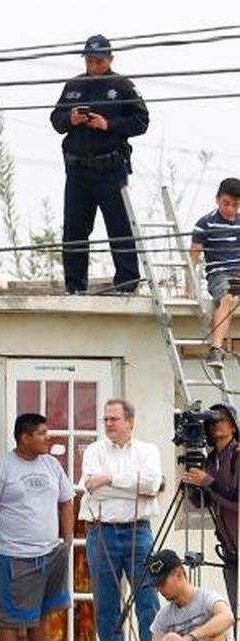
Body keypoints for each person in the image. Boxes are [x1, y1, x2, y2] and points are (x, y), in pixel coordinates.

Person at [50, 34, 149, 295]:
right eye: (89, 60)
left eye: (98, 60)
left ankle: (127, 284)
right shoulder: (74, 86)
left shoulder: (123, 86)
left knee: (119, 227)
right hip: (78, 169)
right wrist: (71, 119)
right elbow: (56, 120)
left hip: (110, 168)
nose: (93, 65)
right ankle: (74, 286)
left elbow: (141, 122)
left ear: (110, 59)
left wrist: (109, 124)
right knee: (74, 229)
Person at [0, 413, 75, 641]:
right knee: (9, 620)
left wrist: (67, 539)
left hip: (50, 554)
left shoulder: (51, 464)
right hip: (15, 557)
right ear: (25, 437)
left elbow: (67, 500)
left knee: (42, 615)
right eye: (42, 434)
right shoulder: (2, 467)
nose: (47, 438)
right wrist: (2, 538)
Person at [79, 399, 163, 641]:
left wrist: (109, 479)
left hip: (139, 530)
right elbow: (93, 488)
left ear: (130, 422)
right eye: (105, 419)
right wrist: (135, 486)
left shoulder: (148, 450)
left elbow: (152, 484)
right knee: (106, 605)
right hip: (101, 532)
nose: (108, 423)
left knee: (148, 599)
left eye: (114, 419)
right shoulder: (95, 450)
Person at [184, 402, 240, 611]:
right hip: (230, 549)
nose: (215, 424)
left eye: (221, 420)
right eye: (212, 421)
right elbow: (202, 502)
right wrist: (192, 485)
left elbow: (236, 500)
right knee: (235, 610)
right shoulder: (210, 460)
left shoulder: (237, 455)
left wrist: (206, 481)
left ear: (233, 426)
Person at [190, 178, 240, 368]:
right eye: (226, 203)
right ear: (217, 199)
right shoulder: (205, 223)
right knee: (229, 298)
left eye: (235, 205)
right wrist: (190, 285)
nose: (230, 209)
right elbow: (194, 254)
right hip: (220, 274)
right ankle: (216, 349)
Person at [147, 548, 235, 641]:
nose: (158, 589)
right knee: (169, 638)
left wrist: (189, 638)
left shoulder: (208, 598)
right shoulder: (163, 617)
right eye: (156, 585)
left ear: (178, 574)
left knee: (216, 635)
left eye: (162, 583)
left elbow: (227, 617)